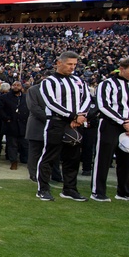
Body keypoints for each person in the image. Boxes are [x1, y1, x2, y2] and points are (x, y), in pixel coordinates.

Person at [91, 57, 129, 203]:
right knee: (103, 158)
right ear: (122, 69)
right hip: (111, 124)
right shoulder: (107, 84)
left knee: (128, 158)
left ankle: (124, 191)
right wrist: (123, 122)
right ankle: (98, 191)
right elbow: (103, 105)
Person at [36, 51, 92, 202]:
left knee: (73, 157)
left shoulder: (79, 81)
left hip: (76, 123)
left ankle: (70, 189)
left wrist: (80, 116)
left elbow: (87, 98)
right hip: (56, 122)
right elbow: (51, 103)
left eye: (74, 64)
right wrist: (73, 116)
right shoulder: (49, 81)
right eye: (69, 64)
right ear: (59, 63)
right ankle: (43, 189)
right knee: (49, 156)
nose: (72, 67)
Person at [0, 81, 28, 170]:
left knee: (24, 144)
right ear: (11, 87)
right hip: (10, 124)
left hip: (23, 125)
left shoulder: (26, 97)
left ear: (21, 87)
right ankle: (13, 161)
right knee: (12, 145)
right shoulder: (4, 97)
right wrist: (6, 118)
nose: (16, 87)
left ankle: (24, 159)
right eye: (14, 85)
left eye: (18, 85)